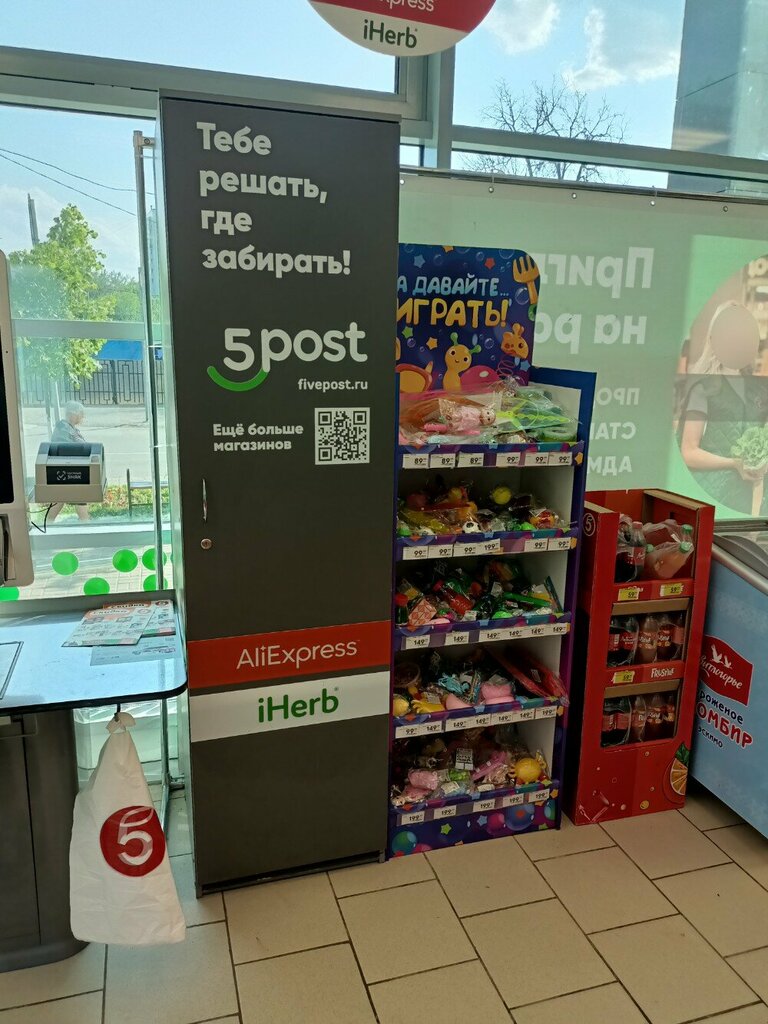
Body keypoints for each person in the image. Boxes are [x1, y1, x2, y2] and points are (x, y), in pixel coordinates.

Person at [679, 301, 768, 514]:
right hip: (711, 495)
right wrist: (733, 463)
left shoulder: (754, 388)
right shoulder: (704, 388)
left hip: (743, 499)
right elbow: (689, 452)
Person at [48, 400, 90, 523]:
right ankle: (85, 523)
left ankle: (49, 523)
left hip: (67, 469)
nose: (82, 417)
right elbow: (70, 448)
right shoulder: (64, 429)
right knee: (78, 496)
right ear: (73, 414)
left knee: (60, 497)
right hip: (67, 469)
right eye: (81, 414)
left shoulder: (68, 428)